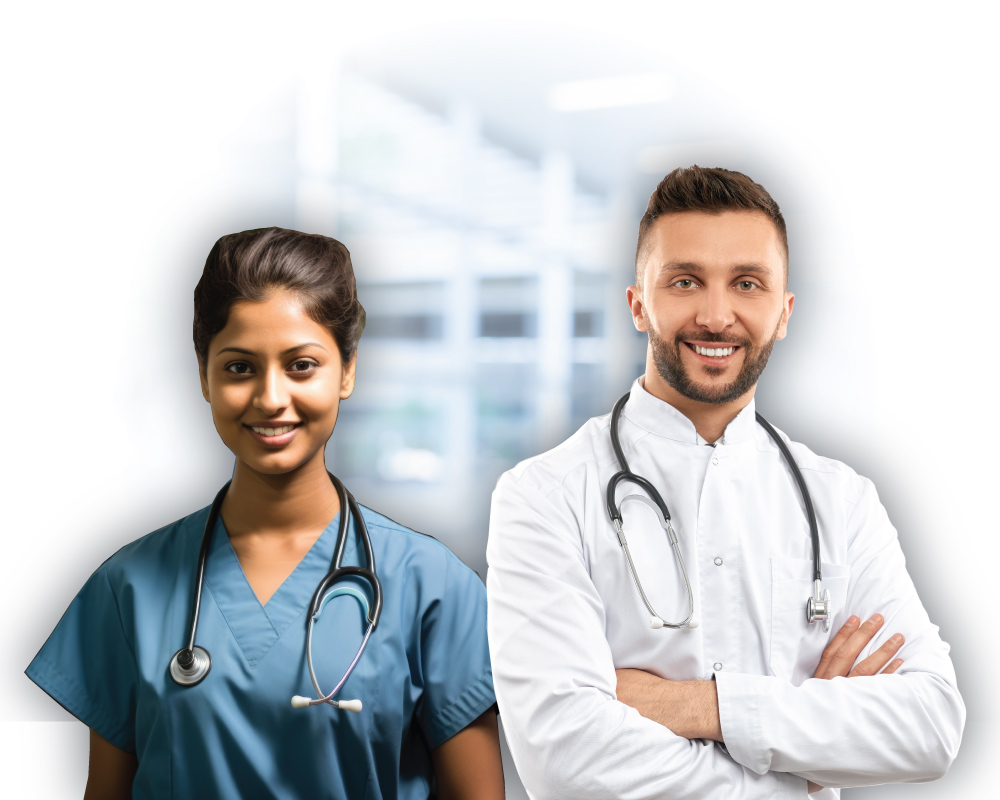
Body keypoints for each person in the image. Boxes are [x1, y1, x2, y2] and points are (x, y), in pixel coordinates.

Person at [486, 167, 965, 799]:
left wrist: (696, 706)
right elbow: (566, 763)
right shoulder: (544, 496)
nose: (716, 316)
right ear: (638, 304)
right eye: (685, 281)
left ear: (784, 312)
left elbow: (929, 724)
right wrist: (806, 757)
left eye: (747, 283)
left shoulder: (841, 501)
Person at [26, 228, 504, 799]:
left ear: (347, 371)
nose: (271, 397)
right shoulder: (128, 587)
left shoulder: (433, 587)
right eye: (239, 368)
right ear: (204, 373)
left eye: (302, 365)